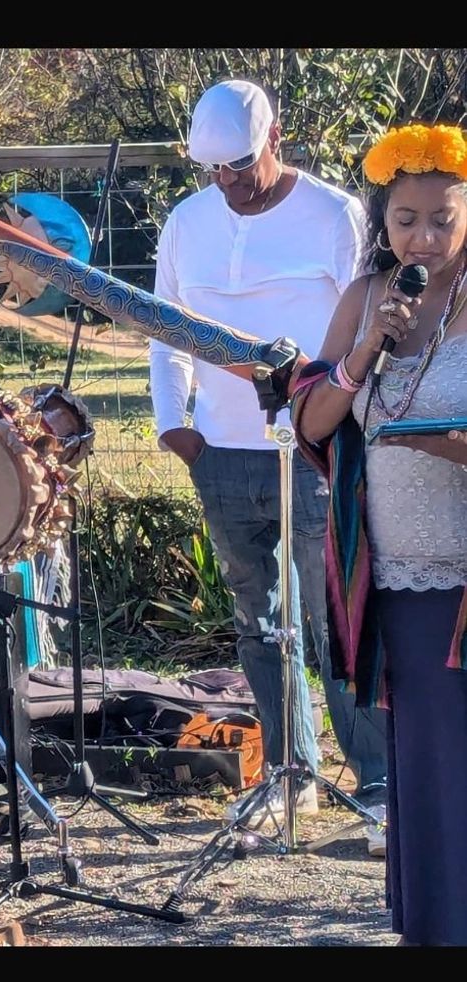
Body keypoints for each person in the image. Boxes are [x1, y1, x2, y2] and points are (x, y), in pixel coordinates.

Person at [150, 79, 388, 826]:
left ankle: (379, 780)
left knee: (337, 618)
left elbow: (365, 324)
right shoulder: (187, 222)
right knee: (261, 623)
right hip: (220, 451)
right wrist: (174, 426)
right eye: (213, 169)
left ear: (275, 137)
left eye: (240, 164)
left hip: (318, 447)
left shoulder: (334, 214)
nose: (228, 182)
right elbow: (164, 324)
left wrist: (339, 421)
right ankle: (292, 774)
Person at [293, 122, 467, 946]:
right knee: (428, 769)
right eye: (406, 219)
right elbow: (314, 416)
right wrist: (365, 349)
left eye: (443, 217)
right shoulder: (368, 297)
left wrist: (445, 442)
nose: (423, 236)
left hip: (464, 581)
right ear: (383, 218)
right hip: (395, 577)